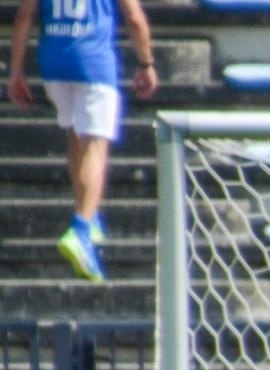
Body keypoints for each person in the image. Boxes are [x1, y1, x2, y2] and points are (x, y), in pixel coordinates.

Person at [7, 0, 158, 282]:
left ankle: (88, 212)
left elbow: (25, 15)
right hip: (93, 64)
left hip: (53, 65)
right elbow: (134, 18)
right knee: (95, 145)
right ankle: (81, 227)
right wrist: (146, 62)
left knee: (76, 135)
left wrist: (16, 70)